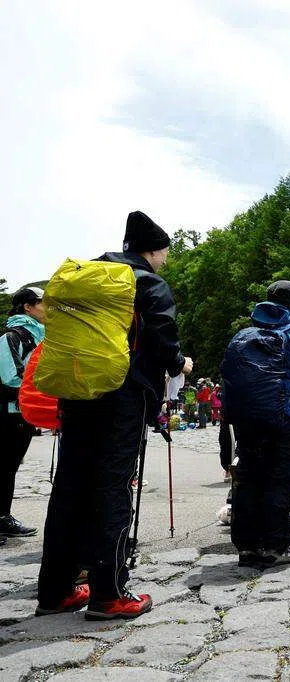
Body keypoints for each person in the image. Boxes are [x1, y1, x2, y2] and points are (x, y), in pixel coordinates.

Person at [37, 210, 193, 620]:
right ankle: (109, 594)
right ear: (154, 251)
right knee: (113, 486)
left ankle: (55, 591)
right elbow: (162, 340)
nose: (164, 261)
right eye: (164, 254)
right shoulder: (147, 281)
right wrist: (180, 364)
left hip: (75, 391)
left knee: (70, 486)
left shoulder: (88, 277)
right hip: (121, 394)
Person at [223, 280, 290, 568]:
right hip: (284, 419)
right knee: (278, 481)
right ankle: (275, 546)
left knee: (249, 479)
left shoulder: (242, 335)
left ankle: (246, 547)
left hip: (247, 421)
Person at [0, 287, 47, 542]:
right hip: (9, 413)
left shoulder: (40, 336)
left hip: (25, 412)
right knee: (4, 465)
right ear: (27, 307)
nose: (46, 307)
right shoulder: (13, 336)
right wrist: (43, 390)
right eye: (41, 302)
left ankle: (3, 518)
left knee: (9, 467)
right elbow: (9, 376)